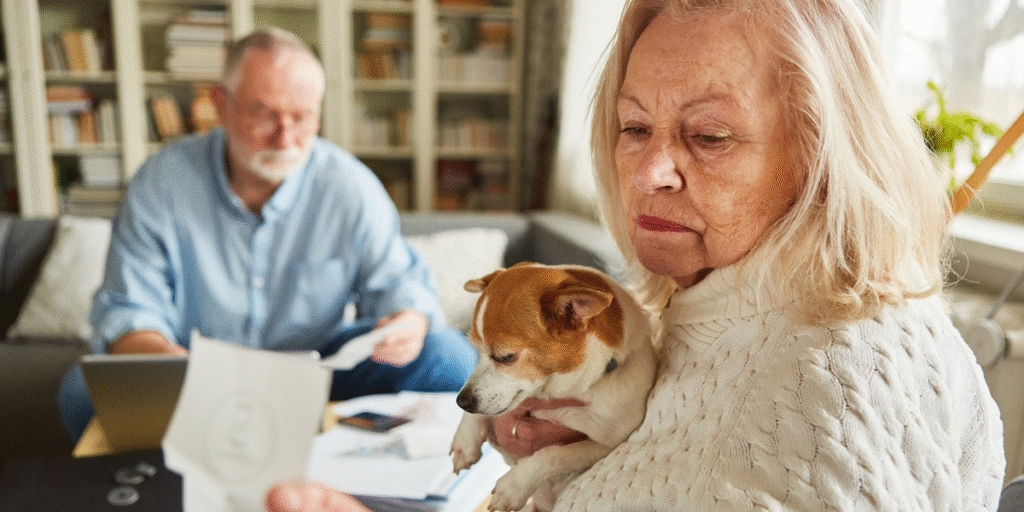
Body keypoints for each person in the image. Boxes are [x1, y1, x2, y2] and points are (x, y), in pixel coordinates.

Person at [265, 0, 1007, 510]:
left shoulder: (803, 397)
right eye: (633, 127)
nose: (650, 172)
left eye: (709, 137)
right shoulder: (706, 304)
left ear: (823, 157)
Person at [57, 27, 476, 441]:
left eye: (303, 116)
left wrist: (408, 321)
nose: (286, 137)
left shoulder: (350, 186)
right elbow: (131, 308)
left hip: (318, 370)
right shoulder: (160, 183)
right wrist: (167, 361)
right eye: (265, 114)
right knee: (83, 393)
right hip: (195, 373)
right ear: (220, 105)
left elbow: (399, 283)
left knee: (450, 359)